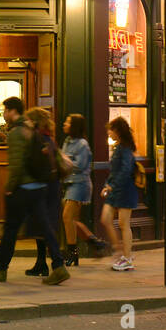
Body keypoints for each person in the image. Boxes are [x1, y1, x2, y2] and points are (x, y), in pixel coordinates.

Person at [0, 100, 69, 285]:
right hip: (39, 187)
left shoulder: (17, 132)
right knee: (45, 228)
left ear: (13, 111)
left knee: (10, 229)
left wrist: (10, 188)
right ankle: (59, 266)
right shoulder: (31, 129)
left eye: (5, 110)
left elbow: (16, 165)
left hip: (23, 188)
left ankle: (0, 269)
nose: (3, 113)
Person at [60, 113, 109, 264]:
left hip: (80, 184)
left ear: (74, 126)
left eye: (68, 122)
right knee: (72, 220)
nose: (64, 124)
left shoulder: (82, 144)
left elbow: (79, 166)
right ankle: (94, 242)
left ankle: (73, 252)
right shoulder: (68, 141)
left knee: (67, 217)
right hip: (69, 183)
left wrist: (64, 161)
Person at [26, 109, 63, 276]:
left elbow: (38, 165)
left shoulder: (40, 139)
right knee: (43, 227)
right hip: (52, 187)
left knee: (44, 226)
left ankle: (55, 263)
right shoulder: (49, 139)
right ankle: (42, 263)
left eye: (28, 120)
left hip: (44, 188)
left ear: (34, 122)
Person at [101, 116, 139, 271]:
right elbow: (115, 171)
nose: (109, 133)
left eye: (110, 130)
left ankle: (127, 257)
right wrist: (107, 185)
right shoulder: (119, 147)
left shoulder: (125, 149)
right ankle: (118, 250)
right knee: (106, 218)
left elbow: (125, 171)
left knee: (124, 224)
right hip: (115, 190)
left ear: (117, 131)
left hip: (125, 190)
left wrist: (111, 186)